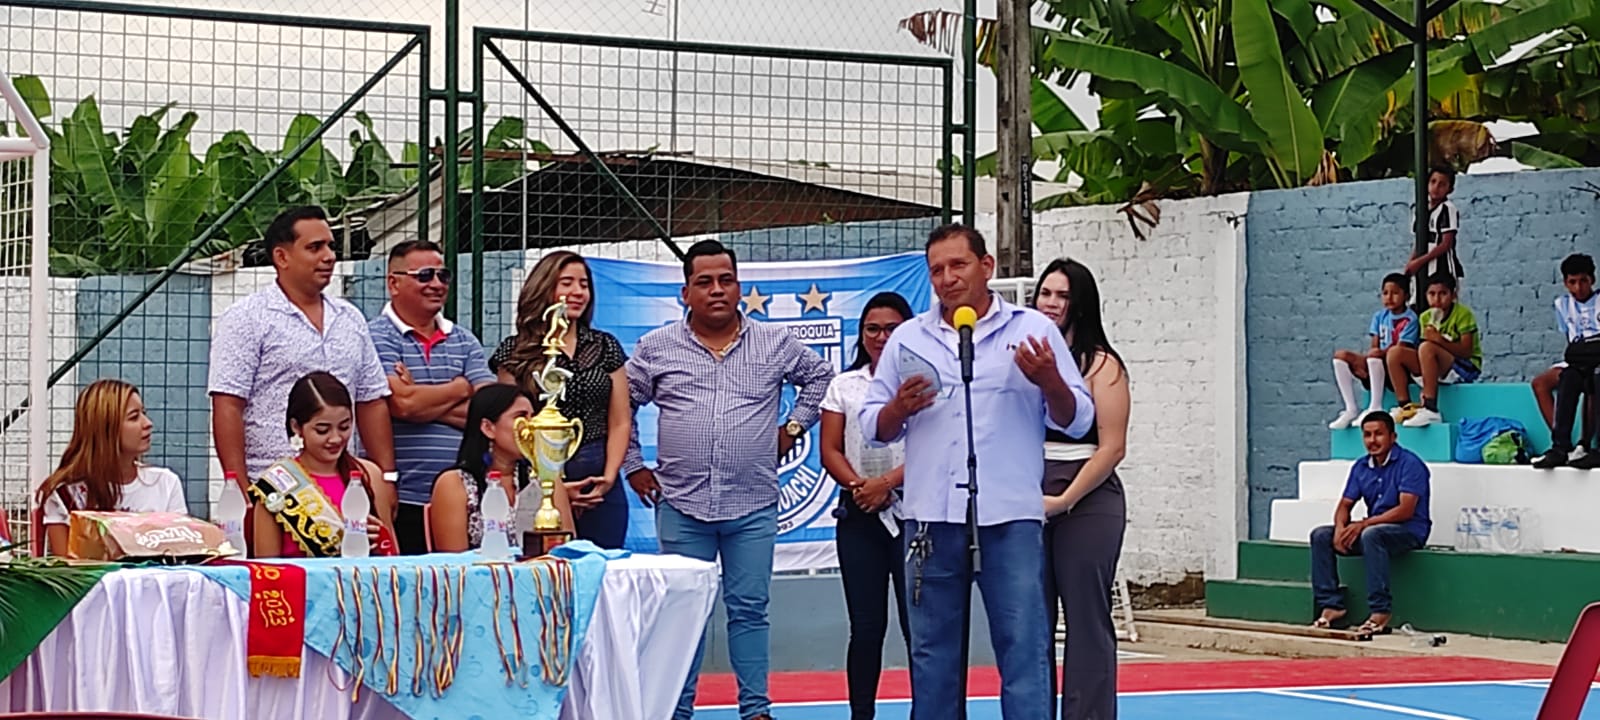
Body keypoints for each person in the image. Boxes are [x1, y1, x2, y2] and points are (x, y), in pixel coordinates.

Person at [861, 225, 1094, 719]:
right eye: (936, 270)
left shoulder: (1033, 329)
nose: (947, 278)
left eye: (957, 265)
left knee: (1024, 646)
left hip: (1008, 516)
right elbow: (872, 427)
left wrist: (1050, 380)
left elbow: (1078, 420)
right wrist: (898, 408)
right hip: (931, 517)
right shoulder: (909, 338)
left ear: (986, 267)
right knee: (932, 655)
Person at [623, 239, 834, 720]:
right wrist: (633, 464)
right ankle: (676, 711)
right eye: (704, 282)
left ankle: (756, 710)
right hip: (682, 504)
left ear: (739, 287)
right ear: (685, 293)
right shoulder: (656, 347)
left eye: (726, 280)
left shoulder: (775, 343)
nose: (717, 290)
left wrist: (793, 427)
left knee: (749, 609)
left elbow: (821, 377)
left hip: (752, 504)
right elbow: (623, 404)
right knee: (682, 614)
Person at [209, 206, 397, 511]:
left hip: (345, 489)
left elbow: (371, 400)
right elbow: (228, 405)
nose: (329, 256)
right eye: (315, 247)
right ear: (281, 257)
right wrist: (241, 492)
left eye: (331, 246)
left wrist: (386, 478)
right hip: (273, 492)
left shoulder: (351, 318)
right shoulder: (246, 318)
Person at [1033, 259, 1129, 720]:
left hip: (1087, 499)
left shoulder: (1103, 364)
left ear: (1081, 304)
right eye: (1045, 293)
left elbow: (1112, 447)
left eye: (1063, 296)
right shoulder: (1022, 355)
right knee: (1030, 621)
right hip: (1029, 496)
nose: (1051, 303)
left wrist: (1064, 500)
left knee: (1086, 618)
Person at [491, 251, 630, 548]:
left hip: (599, 478)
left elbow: (620, 420)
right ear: (544, 287)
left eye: (584, 284)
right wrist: (552, 487)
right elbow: (512, 425)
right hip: (536, 477)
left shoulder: (606, 346)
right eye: (567, 283)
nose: (578, 292)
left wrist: (608, 477)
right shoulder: (514, 351)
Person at [818, 292, 913, 720]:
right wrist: (862, 488)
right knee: (866, 626)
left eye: (891, 328)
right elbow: (830, 450)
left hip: (914, 514)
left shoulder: (922, 383)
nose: (881, 337)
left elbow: (936, 448)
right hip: (859, 514)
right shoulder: (844, 385)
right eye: (872, 329)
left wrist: (888, 484)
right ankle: (861, 714)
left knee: (918, 628)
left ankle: (929, 710)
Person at [369, 240, 496, 554]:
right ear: (393, 283)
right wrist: (460, 388)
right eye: (425, 275)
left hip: (466, 499)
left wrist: (418, 398)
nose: (437, 284)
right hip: (403, 496)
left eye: (443, 275)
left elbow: (490, 413)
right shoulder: (374, 336)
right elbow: (401, 404)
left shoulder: (465, 340)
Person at [249, 372, 395, 558]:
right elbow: (267, 568)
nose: (335, 438)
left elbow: (393, 558)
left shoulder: (369, 475)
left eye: (344, 427)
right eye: (322, 430)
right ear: (296, 427)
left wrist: (378, 541)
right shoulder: (276, 486)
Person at [1310, 411, 1430, 635]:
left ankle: (1380, 612)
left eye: (1378, 434)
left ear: (1393, 437)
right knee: (1321, 535)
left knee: (1371, 535)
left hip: (1408, 531)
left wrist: (1364, 524)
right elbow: (1345, 505)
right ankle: (1332, 606)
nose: (1372, 440)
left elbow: (1405, 510)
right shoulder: (1361, 466)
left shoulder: (1410, 464)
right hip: (1373, 530)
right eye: (1367, 435)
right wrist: (1340, 529)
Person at [36, 379, 187, 556]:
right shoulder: (66, 494)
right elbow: (67, 568)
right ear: (105, 428)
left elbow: (183, 554)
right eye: (134, 417)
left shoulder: (166, 483)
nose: (148, 423)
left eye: (144, 413)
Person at [429, 384, 575, 551]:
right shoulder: (454, 483)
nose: (531, 427)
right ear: (488, 428)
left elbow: (568, 551)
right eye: (521, 417)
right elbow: (453, 562)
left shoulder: (547, 478)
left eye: (533, 417)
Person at [1387, 273, 1480, 427]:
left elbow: (1466, 351)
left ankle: (1430, 407)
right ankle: (1405, 406)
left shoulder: (1463, 314)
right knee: (1395, 353)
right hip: (1436, 367)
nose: (1437, 299)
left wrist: (1439, 340)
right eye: (1432, 294)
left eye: (1443, 294)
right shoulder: (1425, 317)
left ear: (1453, 295)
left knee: (1427, 347)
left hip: (1462, 367)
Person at [1328, 273, 1419, 429]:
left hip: (1395, 367)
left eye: (1395, 293)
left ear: (1406, 296)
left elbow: (1402, 346)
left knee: (1375, 355)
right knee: (1341, 356)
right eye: (1385, 293)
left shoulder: (1411, 319)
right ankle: (1350, 408)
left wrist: (1374, 356)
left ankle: (1375, 406)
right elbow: (1375, 345)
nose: (1389, 297)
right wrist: (1362, 364)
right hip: (1377, 361)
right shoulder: (1380, 316)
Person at [1535, 254, 1600, 469]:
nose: (1578, 287)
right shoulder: (1562, 305)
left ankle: (1588, 445)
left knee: (1595, 379)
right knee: (1567, 378)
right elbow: (1571, 341)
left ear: (1592, 280)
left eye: (1583, 281)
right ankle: (1561, 446)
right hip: (1579, 360)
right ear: (1565, 283)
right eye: (1572, 282)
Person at [1403, 167, 1462, 311]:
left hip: (1441, 266)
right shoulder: (1421, 209)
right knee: (1418, 304)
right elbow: (1419, 240)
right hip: (1423, 266)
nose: (1436, 187)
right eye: (1433, 182)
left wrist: (1420, 261)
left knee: (1440, 305)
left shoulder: (1447, 209)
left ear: (1450, 189)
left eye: (1442, 184)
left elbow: (1446, 244)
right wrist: (1411, 262)